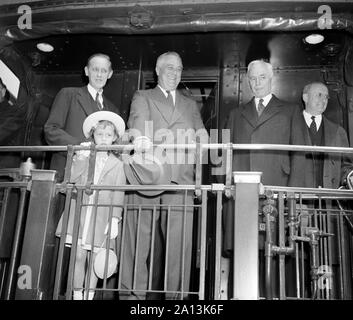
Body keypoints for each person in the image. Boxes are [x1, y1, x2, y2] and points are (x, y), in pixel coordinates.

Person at [121, 51, 208, 299]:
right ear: (157, 71)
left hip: (180, 180)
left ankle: (176, 299)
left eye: (179, 69)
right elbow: (137, 124)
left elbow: (202, 136)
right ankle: (132, 298)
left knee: (179, 248)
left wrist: (201, 144)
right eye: (169, 68)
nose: (174, 73)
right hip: (147, 177)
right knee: (136, 242)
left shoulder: (190, 104)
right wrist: (141, 139)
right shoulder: (143, 96)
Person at [222, 59, 298, 298]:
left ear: (271, 78)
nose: (256, 83)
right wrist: (227, 184)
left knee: (276, 253)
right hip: (243, 195)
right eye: (252, 78)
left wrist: (292, 196)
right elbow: (226, 152)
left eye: (261, 77)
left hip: (276, 195)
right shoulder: (235, 114)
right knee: (246, 253)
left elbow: (297, 155)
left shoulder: (291, 110)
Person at [55, 110, 126, 300]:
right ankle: (77, 296)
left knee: (95, 259)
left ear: (114, 139)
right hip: (81, 212)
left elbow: (119, 192)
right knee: (78, 256)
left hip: (101, 215)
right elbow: (70, 180)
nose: (103, 139)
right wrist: (81, 158)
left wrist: (114, 219)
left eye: (108, 135)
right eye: (100, 134)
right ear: (93, 135)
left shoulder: (117, 164)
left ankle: (89, 296)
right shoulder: (83, 155)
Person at [44, 53, 118, 182]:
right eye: (95, 69)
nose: (99, 75)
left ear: (110, 74)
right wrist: (80, 146)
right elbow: (51, 130)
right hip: (67, 175)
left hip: (98, 180)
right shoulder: (68, 94)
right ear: (86, 71)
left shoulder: (113, 109)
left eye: (104, 71)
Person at [289, 82, 353, 188]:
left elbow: (345, 166)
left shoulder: (338, 131)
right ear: (305, 97)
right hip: (298, 197)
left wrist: (349, 177)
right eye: (319, 95)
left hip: (327, 199)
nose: (324, 100)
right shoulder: (289, 126)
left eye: (326, 97)